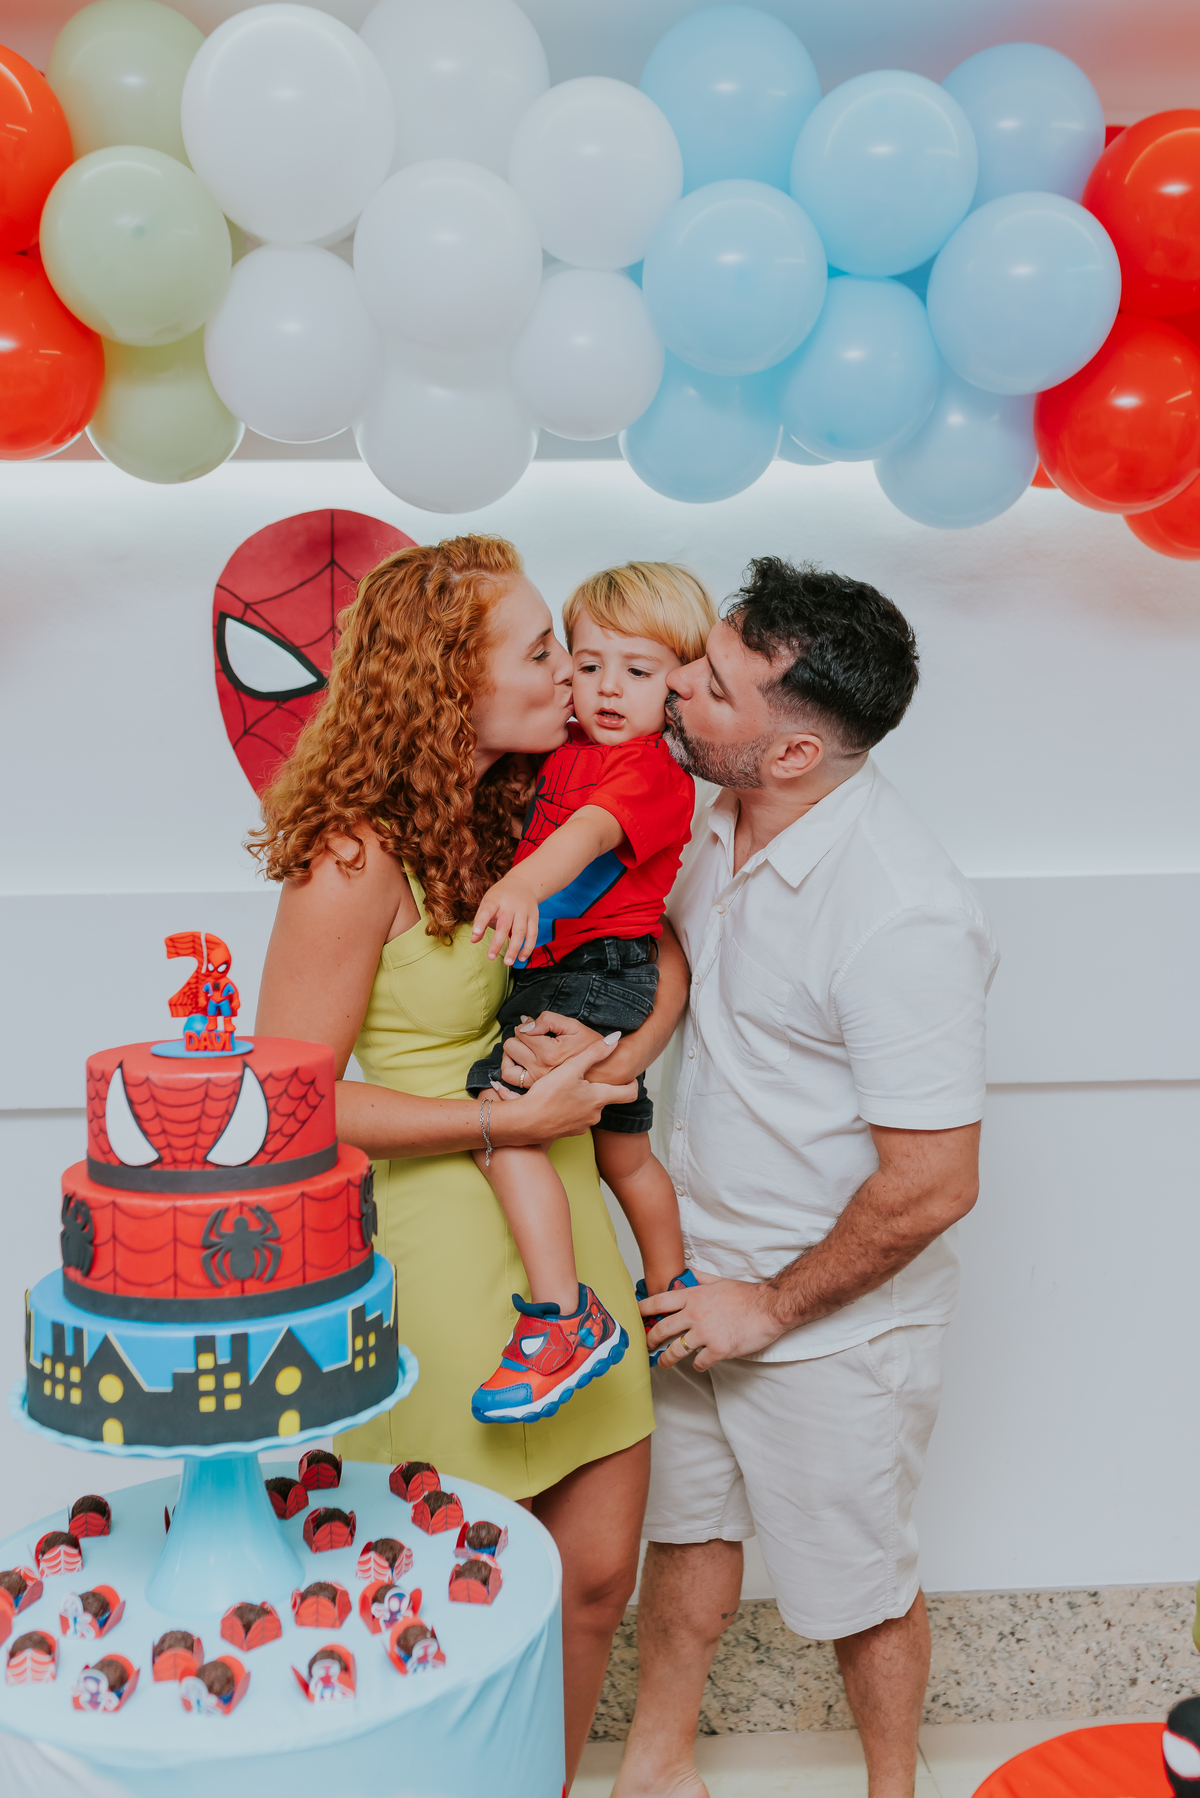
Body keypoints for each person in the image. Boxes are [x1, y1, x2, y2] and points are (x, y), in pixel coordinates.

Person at [508, 559, 998, 1798]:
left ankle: (899, 1787)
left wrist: (770, 1306)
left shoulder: (902, 914)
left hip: (827, 1322)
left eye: (712, 683)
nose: (676, 685)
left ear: (791, 753)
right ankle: (658, 1769)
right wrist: (603, 1049)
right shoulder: (711, 809)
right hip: (689, 1282)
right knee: (686, 1546)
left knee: (859, 1592)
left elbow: (937, 1183)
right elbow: (668, 962)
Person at [250, 534, 685, 1787]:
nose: (573, 674)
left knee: (597, 1575)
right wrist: (509, 1122)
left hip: (563, 1216)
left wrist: (606, 1065)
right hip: (437, 1246)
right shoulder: (353, 855)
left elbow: (662, 956)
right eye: (542, 649)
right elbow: (295, 1104)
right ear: (450, 679)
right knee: (443, 1598)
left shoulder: (531, 808)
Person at [464, 565, 716, 1426]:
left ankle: (560, 1316)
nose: (608, 688)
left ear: (677, 690)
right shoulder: (569, 743)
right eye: (588, 661)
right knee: (622, 1155)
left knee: (503, 1119)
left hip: (600, 971)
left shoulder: (649, 771)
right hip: (583, 968)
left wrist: (523, 887)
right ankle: (668, 1283)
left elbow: (588, 833)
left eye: (639, 673)